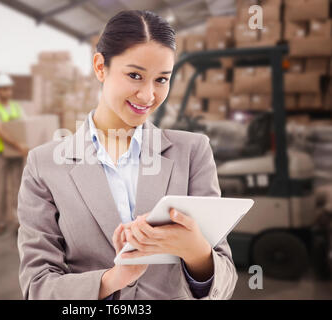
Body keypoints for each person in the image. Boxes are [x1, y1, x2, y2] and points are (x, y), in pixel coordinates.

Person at [17, 10, 238, 300]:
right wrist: (111, 280)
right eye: (135, 75)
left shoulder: (193, 152)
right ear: (100, 67)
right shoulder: (44, 165)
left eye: (161, 80)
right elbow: (37, 287)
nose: (148, 95)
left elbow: (226, 281)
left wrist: (196, 251)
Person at [0, 73, 29, 235]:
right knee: (1, 189)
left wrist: (25, 146)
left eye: (9, 88)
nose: (7, 92)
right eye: (3, 89)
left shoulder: (17, 107)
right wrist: (19, 145)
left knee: (18, 189)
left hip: (16, 154)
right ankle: (1, 222)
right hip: (0, 154)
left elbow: (26, 127)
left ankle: (18, 222)